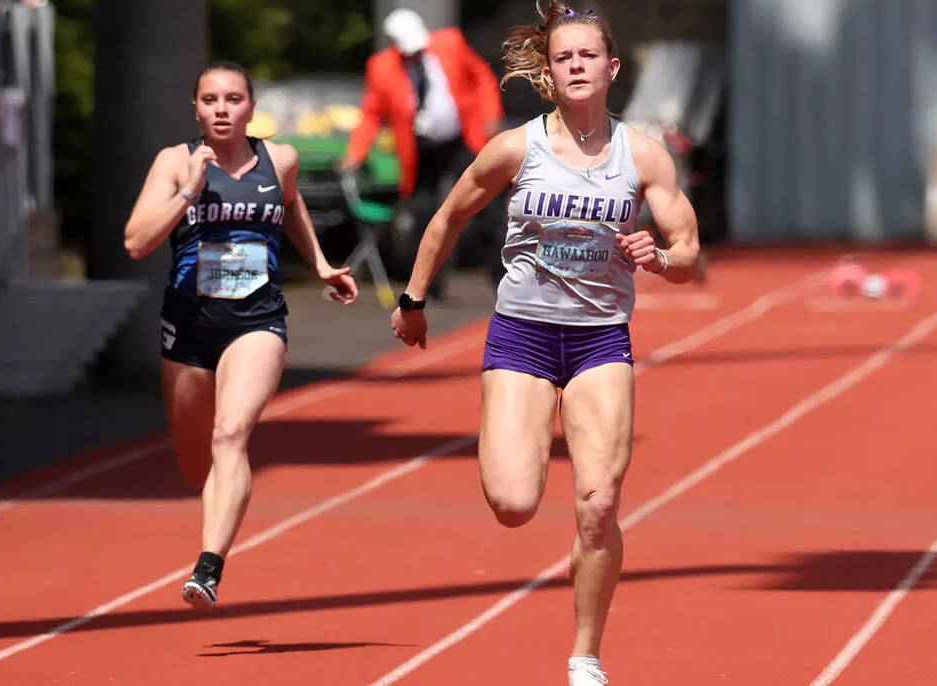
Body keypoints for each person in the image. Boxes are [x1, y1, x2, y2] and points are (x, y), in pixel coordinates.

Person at [390, 3, 699, 684]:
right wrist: (412, 299)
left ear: (610, 68)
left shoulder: (641, 156)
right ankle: (516, 443)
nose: (578, 66)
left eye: (588, 55)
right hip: (522, 337)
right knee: (512, 504)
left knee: (596, 505)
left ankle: (585, 656)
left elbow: (687, 251)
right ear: (550, 75)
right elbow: (447, 216)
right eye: (565, 58)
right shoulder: (514, 149)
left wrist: (658, 257)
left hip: (598, 343)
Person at [123, 61, 358, 611]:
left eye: (233, 99)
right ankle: (218, 510)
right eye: (211, 100)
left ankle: (208, 568)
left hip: (257, 322)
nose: (222, 109)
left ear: (251, 109)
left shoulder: (280, 159)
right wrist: (187, 193)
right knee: (194, 465)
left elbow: (291, 202)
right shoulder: (175, 162)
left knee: (230, 434)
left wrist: (320, 263)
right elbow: (136, 241)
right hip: (187, 329)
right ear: (197, 109)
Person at [341, 8, 504, 297]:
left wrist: (490, 115)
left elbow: (482, 79)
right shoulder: (382, 67)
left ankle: (504, 278)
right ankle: (428, 284)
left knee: (486, 205)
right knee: (423, 214)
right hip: (421, 150)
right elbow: (371, 114)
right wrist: (355, 153)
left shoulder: (451, 44)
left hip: (461, 140)